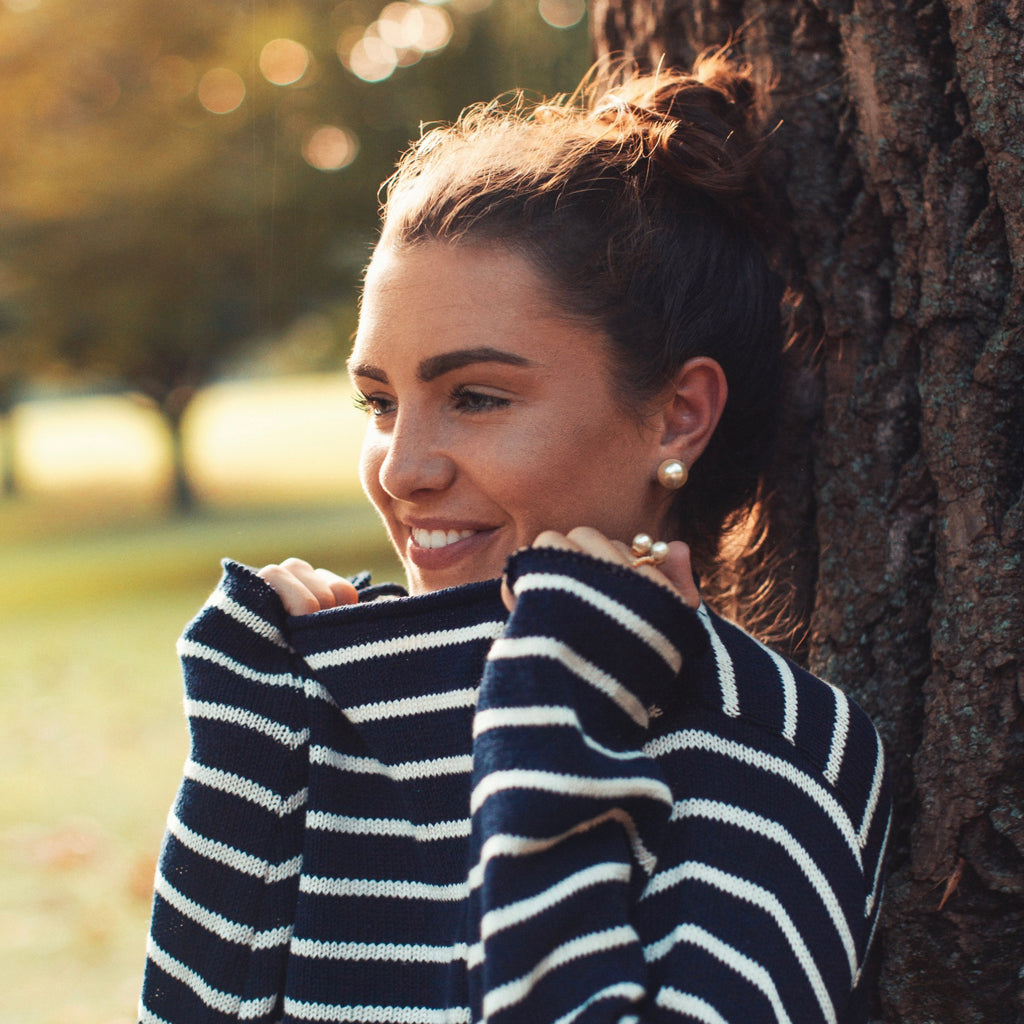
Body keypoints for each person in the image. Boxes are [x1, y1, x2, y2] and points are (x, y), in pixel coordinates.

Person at [139, 53, 890, 1024]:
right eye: (378, 403)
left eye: (476, 397)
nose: (402, 469)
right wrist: (253, 745)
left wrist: (554, 720)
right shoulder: (336, 703)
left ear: (676, 416)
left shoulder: (776, 747)